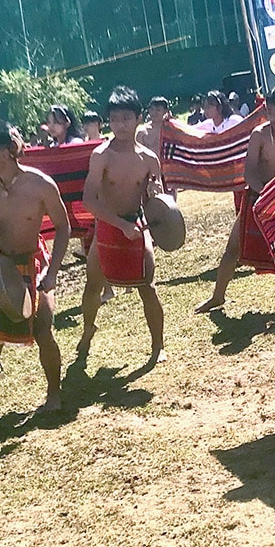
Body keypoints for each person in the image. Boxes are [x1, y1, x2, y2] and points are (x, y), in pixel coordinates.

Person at [0, 120, 71, 409]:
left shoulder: (41, 185)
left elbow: (63, 228)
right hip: (2, 263)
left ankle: (53, 392)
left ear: (4, 153)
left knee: (43, 328)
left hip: (35, 261)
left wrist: (52, 272)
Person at [77, 86, 167, 366]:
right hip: (107, 224)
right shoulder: (101, 155)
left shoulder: (149, 159)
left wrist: (155, 195)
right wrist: (117, 224)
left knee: (148, 286)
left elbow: (158, 201)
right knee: (93, 286)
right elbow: (89, 200)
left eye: (126, 118)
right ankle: (88, 329)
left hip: (136, 225)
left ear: (138, 118)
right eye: (115, 119)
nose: (121, 125)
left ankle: (158, 346)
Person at [195, 85, 275, 314]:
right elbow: (249, 173)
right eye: (272, 111)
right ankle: (217, 296)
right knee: (233, 248)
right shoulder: (260, 134)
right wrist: (265, 193)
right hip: (258, 196)